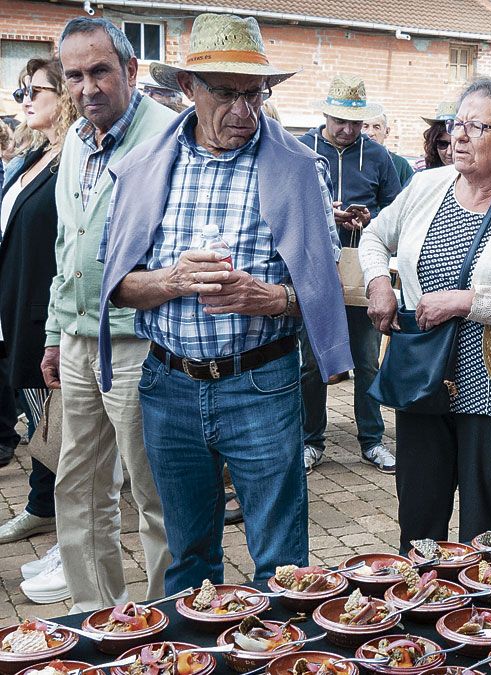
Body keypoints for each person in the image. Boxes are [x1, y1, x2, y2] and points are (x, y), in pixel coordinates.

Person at [96, 12, 352, 593]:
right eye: (227, 94)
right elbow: (117, 285)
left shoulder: (298, 169)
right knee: (187, 560)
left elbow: (323, 290)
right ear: (188, 88)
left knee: (281, 564)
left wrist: (270, 298)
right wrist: (173, 281)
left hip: (261, 385)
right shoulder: (141, 169)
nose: (244, 111)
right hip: (169, 386)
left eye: (254, 94)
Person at [360, 76, 491, 544]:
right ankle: (419, 605)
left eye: (477, 126)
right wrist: (379, 284)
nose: (458, 135)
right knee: (418, 515)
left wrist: (465, 302)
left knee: (485, 524)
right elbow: (374, 235)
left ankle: (479, 613)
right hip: (422, 377)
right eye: (457, 123)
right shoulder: (427, 185)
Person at [39, 17, 174, 613]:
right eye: (74, 76)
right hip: (76, 340)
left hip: (137, 341)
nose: (87, 87)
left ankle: (166, 624)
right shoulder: (74, 141)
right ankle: (98, 617)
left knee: (153, 494)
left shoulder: (170, 137)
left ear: (131, 70)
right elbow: (66, 245)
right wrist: (52, 334)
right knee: (79, 484)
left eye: (100, 71)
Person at [0, 58, 80, 605]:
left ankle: (69, 543)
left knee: (60, 432)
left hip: (43, 315)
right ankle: (41, 508)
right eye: (19, 90)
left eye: (36, 89)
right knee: (43, 426)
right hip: (12, 310)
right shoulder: (29, 157)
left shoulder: (71, 156)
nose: (25, 98)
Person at [298, 74, 402, 475]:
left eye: (355, 122)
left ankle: (372, 441)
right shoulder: (302, 149)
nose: (347, 129)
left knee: (367, 361)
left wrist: (370, 216)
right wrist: (328, 214)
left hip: (361, 271)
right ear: (325, 114)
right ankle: (311, 441)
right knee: (311, 362)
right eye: (341, 120)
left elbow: (396, 210)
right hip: (313, 272)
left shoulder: (378, 157)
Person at [363, 112, 415, 188]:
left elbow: (411, 195)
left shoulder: (401, 164)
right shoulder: (349, 160)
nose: (370, 133)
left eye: (376, 127)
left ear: (387, 132)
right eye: (365, 126)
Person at [415, 102, 454, 171]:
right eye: (442, 144)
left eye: (455, 144)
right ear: (434, 144)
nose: (449, 152)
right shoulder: (422, 166)